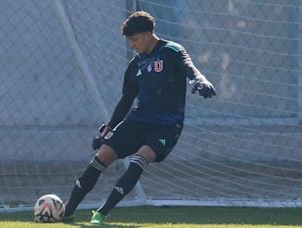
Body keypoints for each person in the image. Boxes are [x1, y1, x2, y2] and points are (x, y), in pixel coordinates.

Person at [63, 11, 216, 225]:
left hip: (167, 125)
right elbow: (126, 101)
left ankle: (101, 213)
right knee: (101, 157)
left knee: (138, 159)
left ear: (146, 34)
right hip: (139, 121)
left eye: (134, 40)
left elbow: (190, 68)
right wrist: (108, 130)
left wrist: (200, 80)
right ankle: (67, 211)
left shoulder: (172, 51)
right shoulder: (135, 65)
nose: (132, 45)